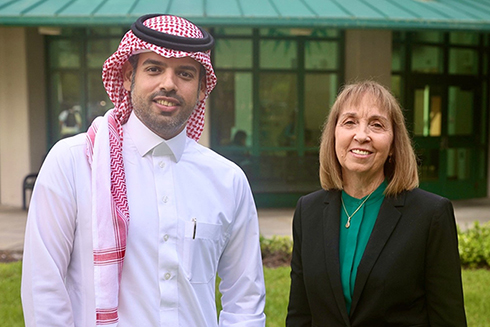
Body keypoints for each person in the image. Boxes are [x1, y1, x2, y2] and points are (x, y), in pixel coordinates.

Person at [21, 14, 266, 327]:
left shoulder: (227, 180)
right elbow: (43, 287)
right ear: (127, 75)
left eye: (185, 74)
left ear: (203, 88)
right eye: (154, 69)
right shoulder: (74, 162)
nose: (168, 83)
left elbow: (244, 299)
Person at [286, 80, 467, 326]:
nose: (361, 136)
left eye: (376, 125)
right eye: (349, 122)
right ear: (334, 135)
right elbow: (300, 315)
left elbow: (448, 319)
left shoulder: (431, 215)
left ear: (393, 145)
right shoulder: (308, 211)